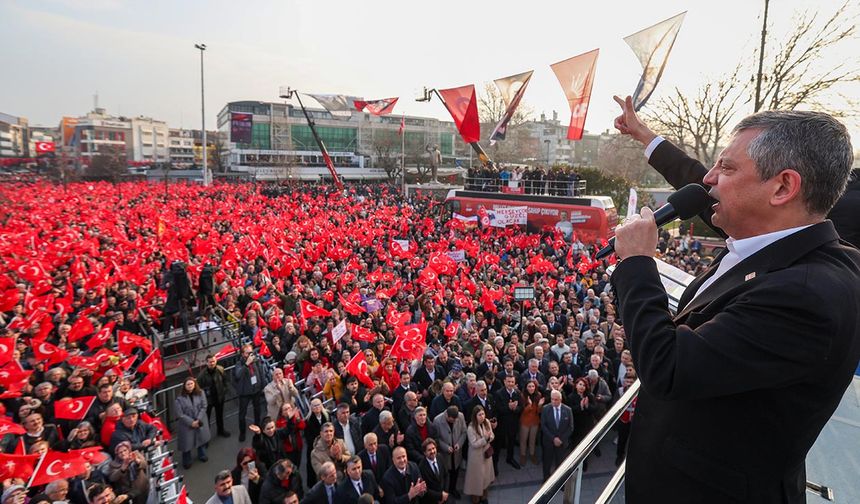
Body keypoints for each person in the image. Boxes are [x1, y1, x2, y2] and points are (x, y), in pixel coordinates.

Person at [612, 96, 860, 503]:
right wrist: (644, 135)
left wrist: (638, 265)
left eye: (725, 166)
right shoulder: (774, 242)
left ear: (782, 187)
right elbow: (701, 186)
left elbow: (669, 367)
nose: (708, 178)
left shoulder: (806, 293)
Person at [174, 376, 211, 468]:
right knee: (187, 444)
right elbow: (180, 414)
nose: (190, 386)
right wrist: (191, 423)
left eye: (191, 384)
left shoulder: (200, 393)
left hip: (200, 420)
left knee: (201, 439)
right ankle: (187, 460)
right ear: (184, 386)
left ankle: (202, 455)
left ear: (194, 384)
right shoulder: (179, 399)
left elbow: (204, 406)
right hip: (187, 424)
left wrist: (198, 419)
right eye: (188, 384)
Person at [233, 344, 267, 443]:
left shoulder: (256, 361)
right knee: (242, 414)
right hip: (245, 392)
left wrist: (263, 386)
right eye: (248, 353)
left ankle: (257, 426)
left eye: (251, 352)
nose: (250, 355)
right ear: (243, 354)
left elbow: (261, 373)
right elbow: (238, 375)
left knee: (257, 409)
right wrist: (246, 364)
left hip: (256, 390)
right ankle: (242, 432)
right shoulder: (239, 364)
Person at [432, 405, 466, 499]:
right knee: (446, 474)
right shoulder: (437, 420)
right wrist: (446, 447)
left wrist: (459, 444)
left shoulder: (461, 416)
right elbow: (436, 438)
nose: (453, 422)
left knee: (455, 472)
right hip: (445, 454)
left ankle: (453, 489)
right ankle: (445, 492)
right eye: (451, 420)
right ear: (447, 415)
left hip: (456, 453)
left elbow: (464, 432)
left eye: (455, 420)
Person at [464, 405, 494, 504]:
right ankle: (475, 499)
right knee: (476, 478)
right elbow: (473, 444)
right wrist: (485, 439)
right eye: (479, 414)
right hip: (476, 457)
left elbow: (492, 435)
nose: (482, 416)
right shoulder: (471, 427)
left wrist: (489, 438)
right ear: (475, 416)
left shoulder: (487, 422)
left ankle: (484, 497)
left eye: (483, 414)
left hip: (486, 455)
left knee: (485, 476)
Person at [540, 390, 572, 481]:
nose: (554, 401)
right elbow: (543, 426)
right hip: (548, 442)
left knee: (560, 463)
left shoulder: (568, 410)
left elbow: (570, 427)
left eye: (556, 400)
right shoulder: (545, 409)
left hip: (562, 443)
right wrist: (553, 438)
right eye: (552, 399)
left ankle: (559, 482)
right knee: (547, 463)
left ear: (560, 399)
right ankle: (546, 481)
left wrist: (560, 439)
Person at [493, 374, 522, 469]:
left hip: (513, 423)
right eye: (508, 381)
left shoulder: (517, 393)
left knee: (511, 442)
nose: (510, 384)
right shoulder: (498, 393)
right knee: (498, 444)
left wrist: (515, 409)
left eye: (512, 382)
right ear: (504, 382)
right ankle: (495, 463)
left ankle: (510, 458)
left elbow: (521, 407)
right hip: (502, 424)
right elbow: (497, 408)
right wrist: (509, 407)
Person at [518, 379, 543, 466]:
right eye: (529, 386)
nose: (531, 388)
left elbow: (539, 412)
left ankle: (532, 455)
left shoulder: (538, 395)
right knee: (523, 440)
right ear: (526, 387)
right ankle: (523, 455)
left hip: (535, 421)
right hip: (525, 421)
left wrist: (540, 405)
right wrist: (529, 405)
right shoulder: (522, 396)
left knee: (532, 440)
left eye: (533, 386)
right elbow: (522, 411)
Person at [417, 438, 449, 504]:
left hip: (444, 496)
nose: (432, 451)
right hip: (431, 500)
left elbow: (446, 475)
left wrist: (445, 493)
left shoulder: (440, 457)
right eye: (429, 450)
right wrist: (440, 496)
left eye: (433, 448)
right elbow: (425, 488)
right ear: (424, 453)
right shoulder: (421, 466)